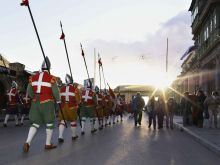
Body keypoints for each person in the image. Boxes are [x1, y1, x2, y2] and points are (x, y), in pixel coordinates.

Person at [23, 57, 60, 152]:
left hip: (35, 103)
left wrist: (35, 97)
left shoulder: (33, 77)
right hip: (47, 103)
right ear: (49, 69)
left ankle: (27, 142)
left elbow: (29, 91)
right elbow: (56, 92)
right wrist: (58, 101)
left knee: (35, 123)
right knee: (49, 123)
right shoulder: (52, 78)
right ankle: (48, 144)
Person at [58, 74, 81, 143]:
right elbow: (78, 100)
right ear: (71, 81)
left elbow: (59, 98)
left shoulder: (61, 89)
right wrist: (78, 103)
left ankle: (60, 136)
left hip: (63, 107)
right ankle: (74, 136)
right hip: (71, 107)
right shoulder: (75, 89)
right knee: (73, 121)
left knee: (62, 121)